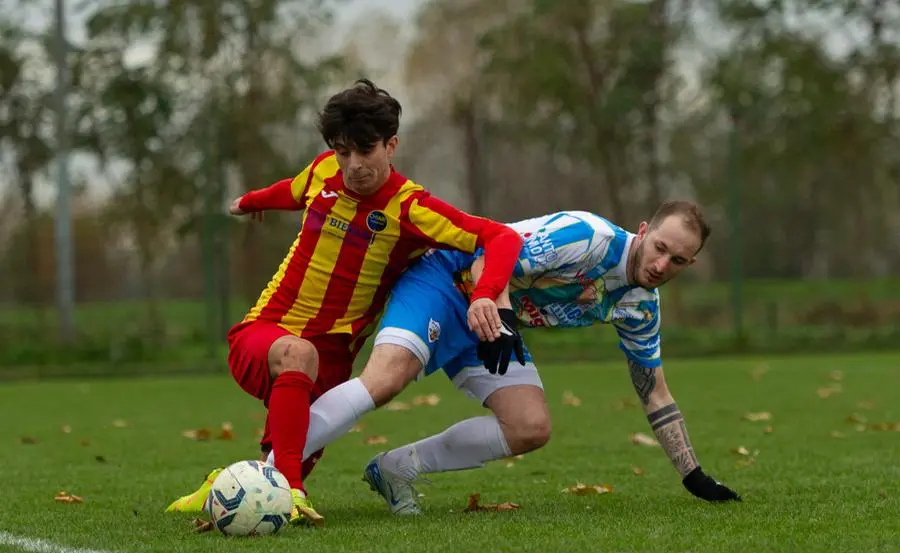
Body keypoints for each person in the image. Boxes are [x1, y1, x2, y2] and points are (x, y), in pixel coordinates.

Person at [164, 78, 524, 526]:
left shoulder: (411, 209)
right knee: (298, 361)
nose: (352, 165)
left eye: (365, 150)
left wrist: (488, 295)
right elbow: (292, 191)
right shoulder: (322, 173)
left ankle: (225, 486)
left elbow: (501, 236)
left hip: (332, 364)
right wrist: (250, 201)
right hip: (265, 333)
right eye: (342, 151)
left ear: (391, 145)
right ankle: (293, 494)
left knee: (280, 457)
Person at [256, 202, 742, 515]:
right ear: (644, 230)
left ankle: (394, 468)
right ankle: (259, 480)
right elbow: (494, 254)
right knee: (386, 380)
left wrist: (692, 475)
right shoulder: (588, 236)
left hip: (490, 320)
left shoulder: (639, 307)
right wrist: (502, 314)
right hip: (449, 280)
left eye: (677, 261)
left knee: (531, 426)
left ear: (690, 264)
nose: (662, 265)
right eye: (659, 248)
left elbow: (653, 391)